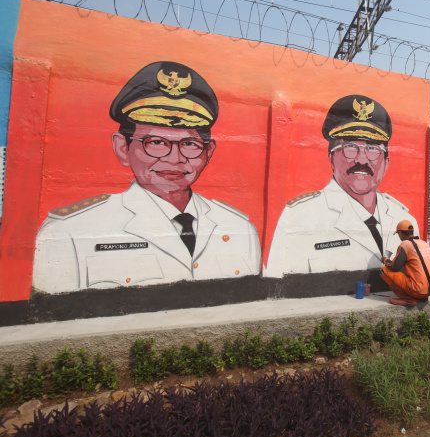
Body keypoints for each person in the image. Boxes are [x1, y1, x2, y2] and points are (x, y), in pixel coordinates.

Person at [32, 61, 261, 294]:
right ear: (123, 148)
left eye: (190, 144)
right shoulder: (69, 232)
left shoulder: (238, 227)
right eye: (157, 143)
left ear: (208, 151)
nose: (175, 158)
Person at [265, 94, 419, 277]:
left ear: (385, 163)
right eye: (350, 147)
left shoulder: (404, 219)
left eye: (372, 149)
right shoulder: (299, 216)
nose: (361, 159)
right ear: (331, 158)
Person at [380, 220, 430, 306]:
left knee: (384, 271)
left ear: (400, 233)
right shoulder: (424, 243)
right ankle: (421, 296)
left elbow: (395, 267)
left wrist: (385, 260)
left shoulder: (405, 244)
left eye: (398, 234)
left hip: (418, 290)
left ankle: (407, 299)